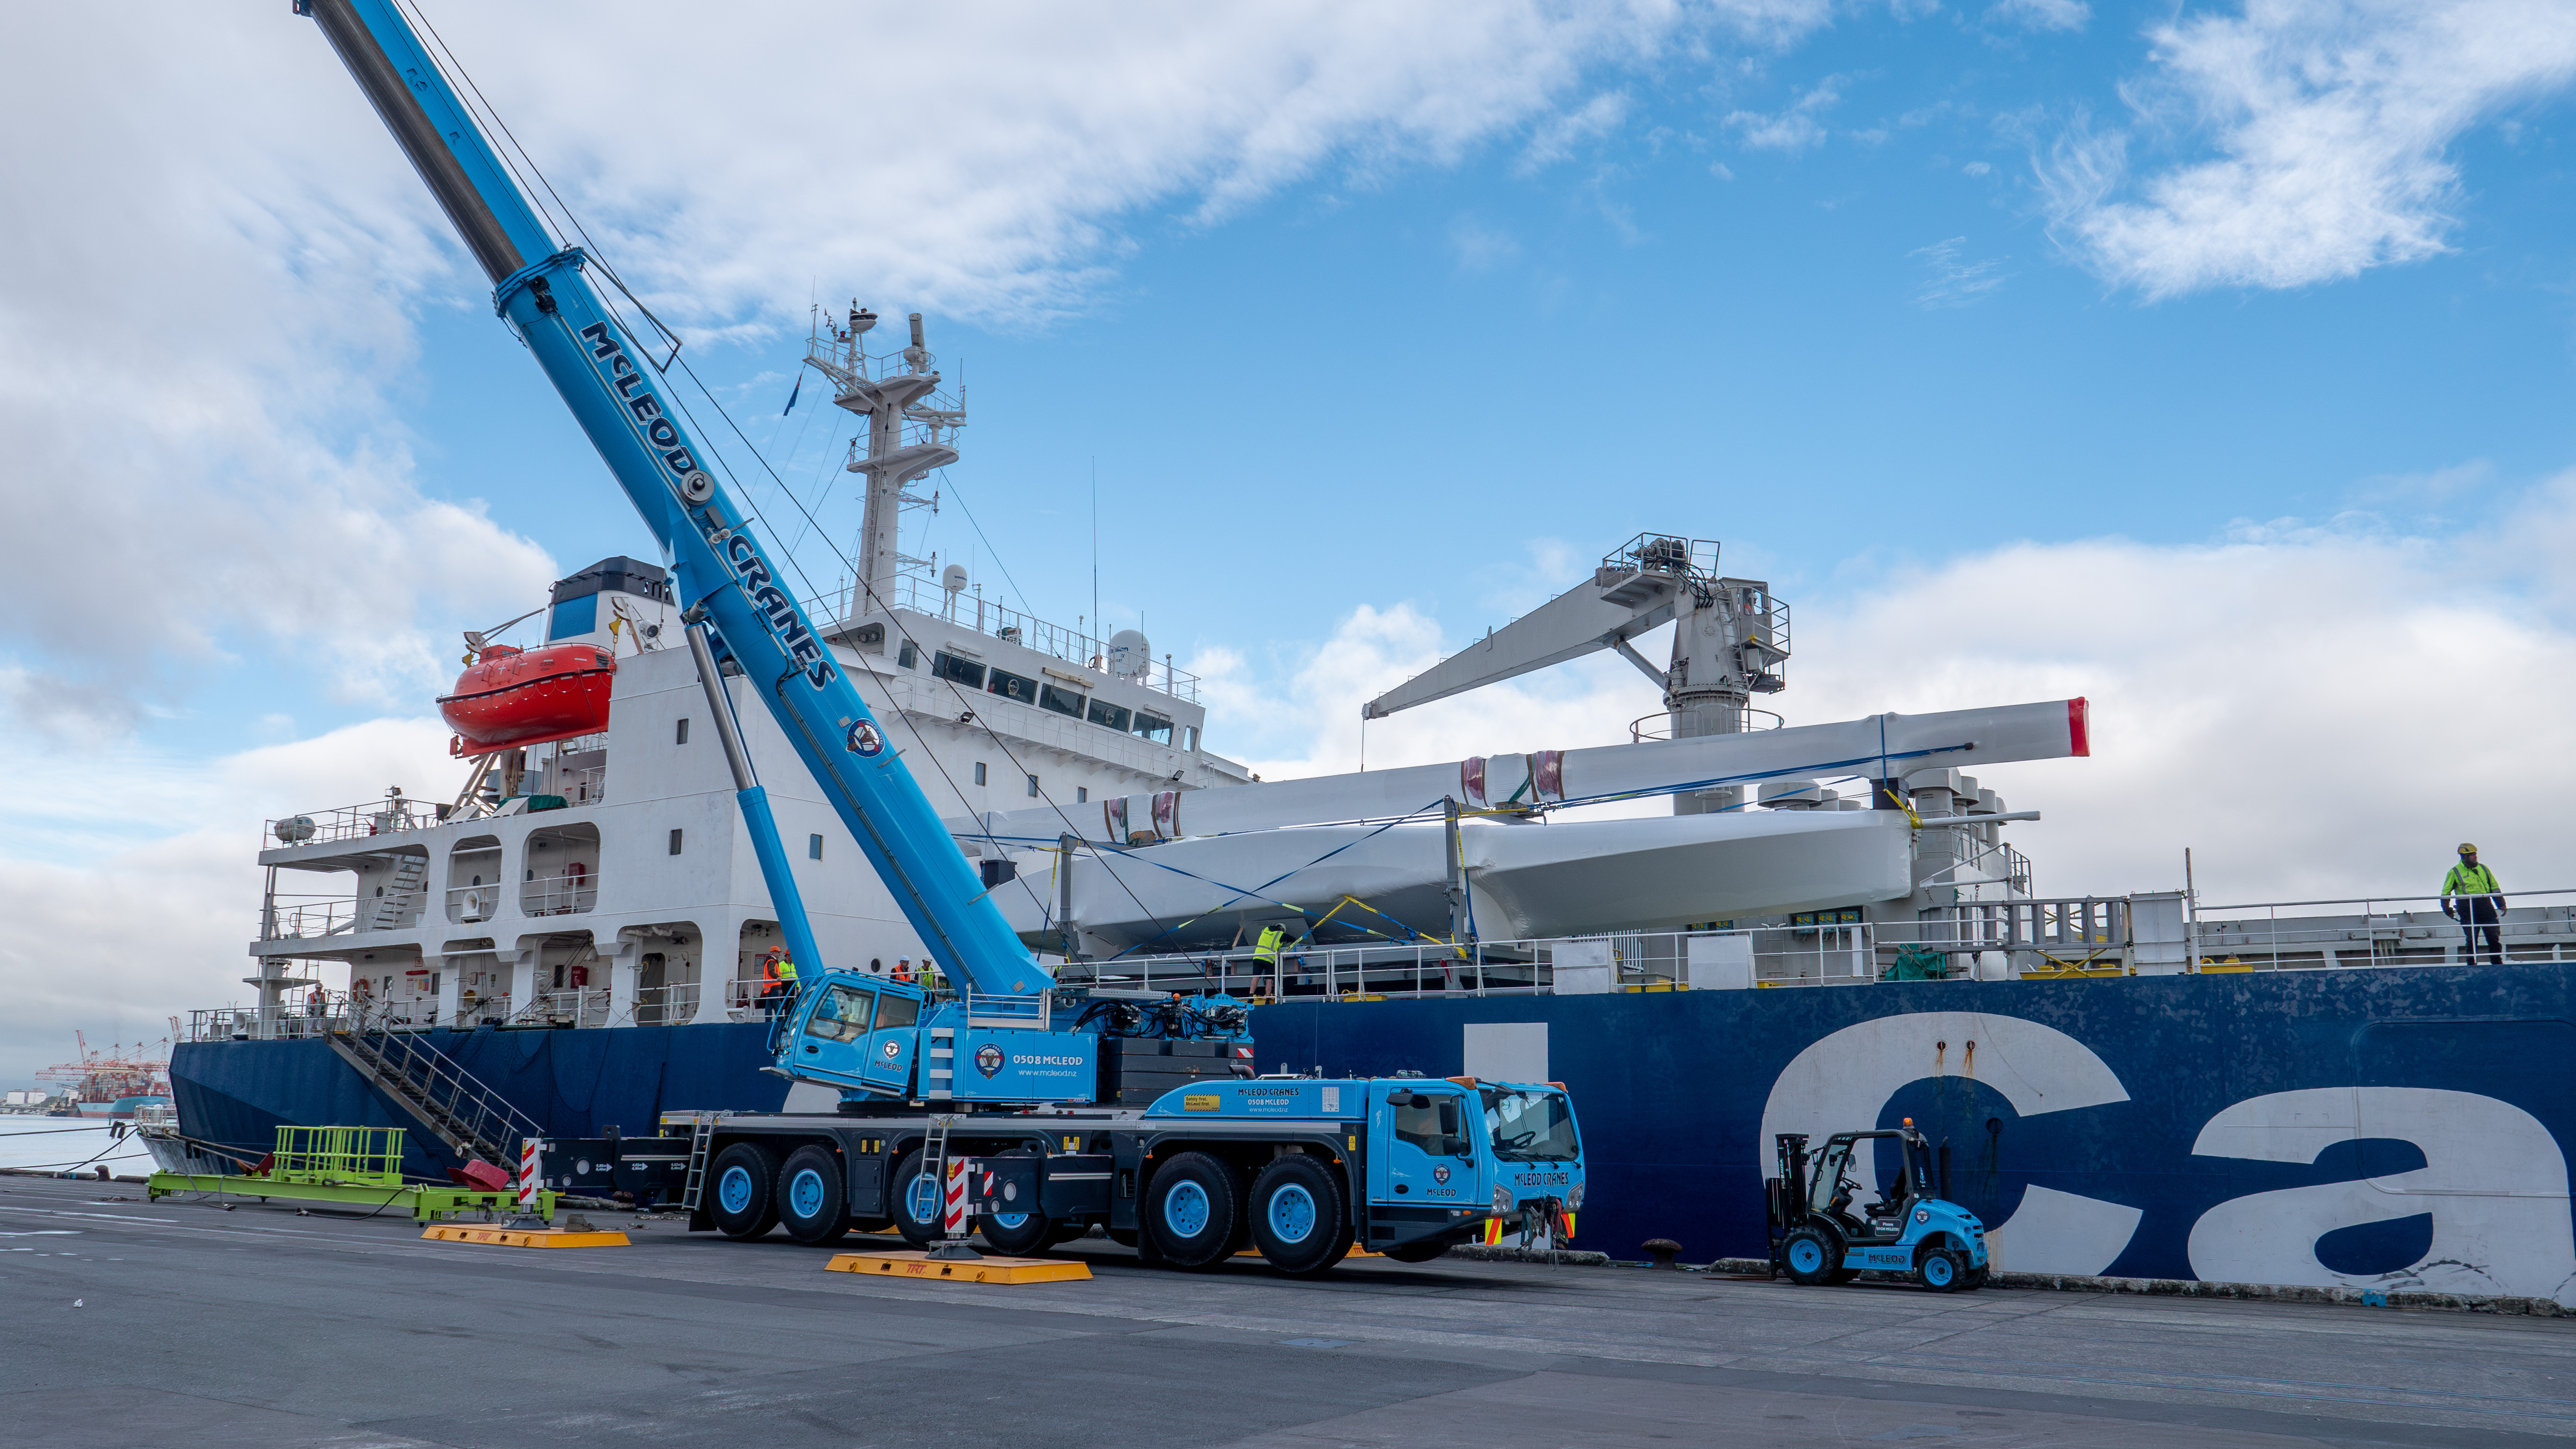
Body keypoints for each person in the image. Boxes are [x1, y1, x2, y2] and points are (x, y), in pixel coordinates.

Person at [2442, 843, 2506, 966]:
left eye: (2475, 854)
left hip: (2486, 906)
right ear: (2464, 857)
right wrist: (2447, 909)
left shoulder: (2484, 869)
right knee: (2472, 938)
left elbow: (2494, 887)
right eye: (2471, 855)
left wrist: (2501, 903)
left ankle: (2497, 963)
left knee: (2493, 936)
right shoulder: (2454, 872)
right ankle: (2471, 964)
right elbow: (2445, 892)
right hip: (2467, 907)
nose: (2475, 857)